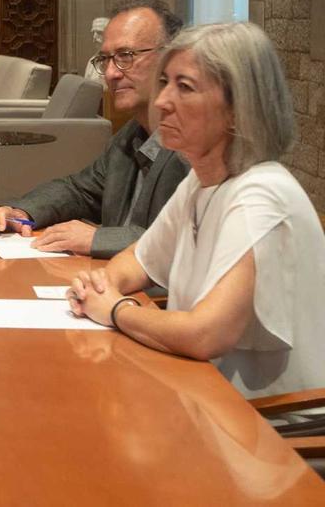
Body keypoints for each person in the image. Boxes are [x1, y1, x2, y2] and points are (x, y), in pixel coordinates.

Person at [68, 22, 325, 399]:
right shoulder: (201, 180)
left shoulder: (261, 195)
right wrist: (102, 286)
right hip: (199, 394)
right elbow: (135, 261)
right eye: (165, 83)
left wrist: (116, 310)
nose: (161, 101)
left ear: (238, 109)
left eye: (184, 87)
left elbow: (206, 335)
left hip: (272, 429)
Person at [0, 1, 190, 258]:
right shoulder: (130, 135)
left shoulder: (194, 145)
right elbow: (80, 190)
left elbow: (183, 240)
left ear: (170, 58)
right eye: (105, 59)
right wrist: (22, 212)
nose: (110, 73)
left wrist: (98, 238)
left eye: (125, 57)